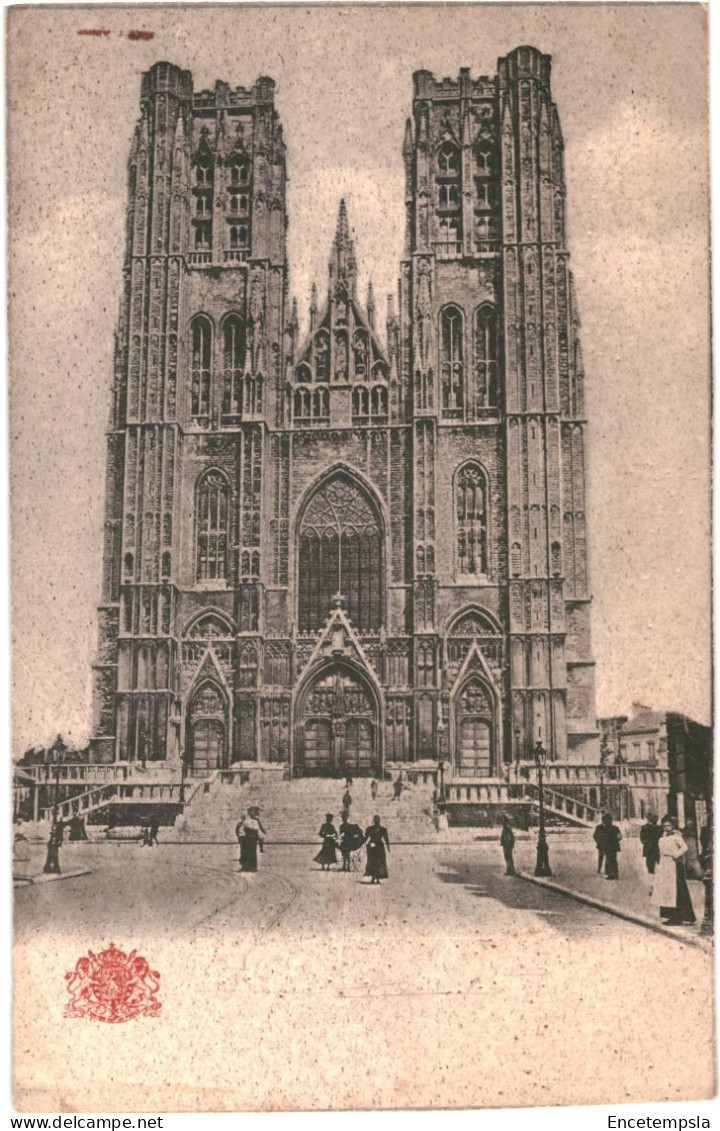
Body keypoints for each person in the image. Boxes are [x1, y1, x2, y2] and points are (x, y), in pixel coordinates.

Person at [651, 816, 696, 925]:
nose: (666, 828)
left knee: (676, 890)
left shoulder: (676, 836)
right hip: (664, 865)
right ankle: (670, 916)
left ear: (673, 826)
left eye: (669, 826)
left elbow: (684, 847)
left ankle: (679, 917)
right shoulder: (663, 836)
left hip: (674, 865)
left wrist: (675, 855)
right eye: (665, 826)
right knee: (666, 890)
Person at [593, 812, 622, 879]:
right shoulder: (600, 828)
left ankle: (613, 874)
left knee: (611, 860)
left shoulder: (614, 828)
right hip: (604, 846)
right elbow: (595, 836)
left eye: (610, 820)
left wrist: (616, 839)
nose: (609, 821)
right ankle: (612, 873)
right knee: (610, 860)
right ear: (603, 820)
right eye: (607, 820)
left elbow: (619, 837)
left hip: (612, 846)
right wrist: (599, 842)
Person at [236, 806, 265, 873]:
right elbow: (241, 828)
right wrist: (241, 835)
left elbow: (258, 829)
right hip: (246, 837)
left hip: (253, 837)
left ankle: (253, 867)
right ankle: (245, 867)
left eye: (255, 812)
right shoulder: (246, 820)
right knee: (245, 852)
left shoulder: (256, 820)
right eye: (252, 812)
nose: (253, 813)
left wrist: (261, 837)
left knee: (252, 852)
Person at [364, 815, 390, 884]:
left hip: (380, 847)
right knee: (373, 862)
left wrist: (388, 847)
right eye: (376, 820)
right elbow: (366, 839)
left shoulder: (383, 829)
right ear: (374, 821)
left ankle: (378, 878)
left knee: (380, 863)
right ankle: (373, 877)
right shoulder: (370, 829)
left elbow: (386, 839)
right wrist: (367, 845)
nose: (377, 821)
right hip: (372, 847)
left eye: (378, 820)